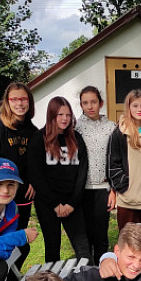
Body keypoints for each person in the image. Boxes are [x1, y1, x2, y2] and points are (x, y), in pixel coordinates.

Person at [0, 82, 38, 281]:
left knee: (22, 245)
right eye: (14, 99)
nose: (19, 103)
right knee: (0, 241)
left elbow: (34, 161)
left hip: (23, 194)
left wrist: (33, 180)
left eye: (23, 99)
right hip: (3, 194)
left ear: (29, 101)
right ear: (7, 102)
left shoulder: (32, 130)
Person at [27, 96, 91, 263]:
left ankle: (87, 277)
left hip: (72, 203)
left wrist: (72, 203)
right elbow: (36, 174)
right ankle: (51, 280)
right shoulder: (38, 138)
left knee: (83, 249)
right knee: (52, 247)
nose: (64, 119)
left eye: (68, 115)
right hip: (48, 204)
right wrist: (55, 204)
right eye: (60, 115)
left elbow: (82, 172)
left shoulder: (76, 138)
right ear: (51, 115)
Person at [107, 89, 141, 230]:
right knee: (128, 240)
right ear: (129, 108)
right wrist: (122, 187)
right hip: (127, 199)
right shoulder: (119, 134)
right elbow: (113, 164)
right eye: (135, 106)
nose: (139, 109)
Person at [76, 86, 116, 263]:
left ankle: (102, 271)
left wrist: (113, 189)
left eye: (93, 102)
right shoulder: (75, 127)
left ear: (101, 103)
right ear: (81, 105)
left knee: (100, 235)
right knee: (85, 237)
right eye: (85, 103)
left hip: (103, 188)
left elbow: (116, 159)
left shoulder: (111, 127)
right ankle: (86, 271)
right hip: (81, 189)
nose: (90, 106)